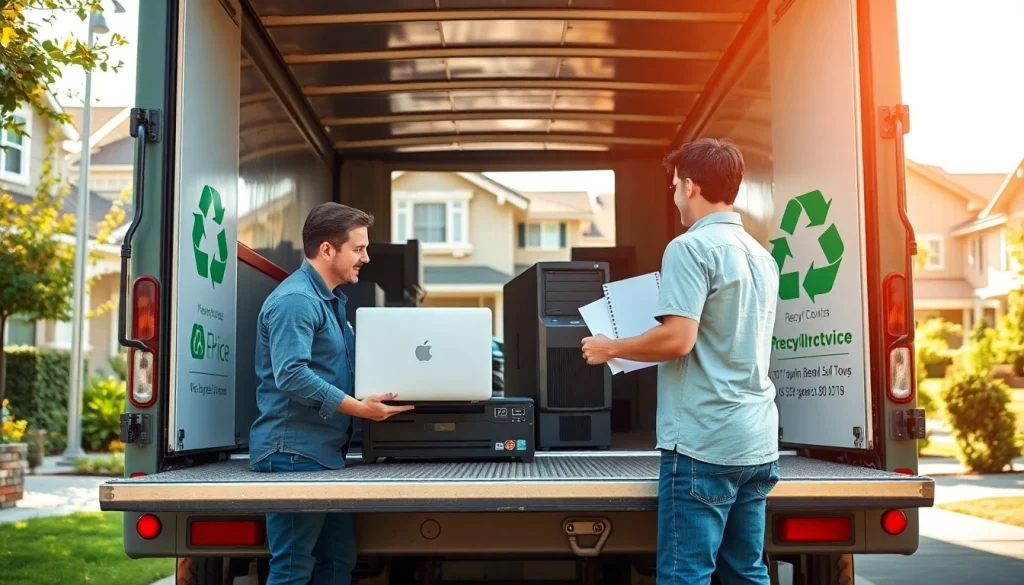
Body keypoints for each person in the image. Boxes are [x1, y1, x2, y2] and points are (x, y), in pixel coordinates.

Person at [580, 138, 780, 585]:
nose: (675, 197)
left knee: (684, 576)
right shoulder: (762, 257)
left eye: (674, 186)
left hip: (702, 441)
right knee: (747, 573)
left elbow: (677, 340)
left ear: (690, 186)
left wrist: (608, 347)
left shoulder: (689, 248)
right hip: (756, 440)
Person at [249, 202, 414, 585]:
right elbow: (291, 374)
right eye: (358, 248)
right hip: (293, 455)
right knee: (291, 568)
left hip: (322, 456)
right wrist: (360, 409)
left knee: (339, 561)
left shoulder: (328, 300)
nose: (366, 257)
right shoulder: (297, 301)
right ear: (327, 250)